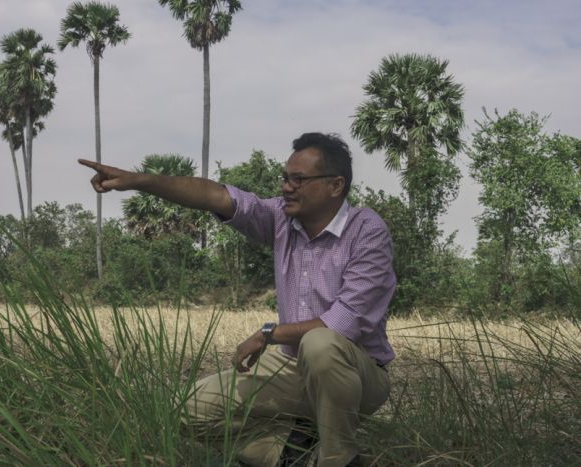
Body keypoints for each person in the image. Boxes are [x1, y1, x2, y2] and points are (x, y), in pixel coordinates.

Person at [79, 132, 395, 467]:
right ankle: (296, 455)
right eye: (286, 178)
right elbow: (216, 195)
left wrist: (268, 334)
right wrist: (140, 180)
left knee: (320, 344)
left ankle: (339, 458)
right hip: (291, 366)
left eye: (299, 179)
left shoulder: (367, 231)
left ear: (335, 185)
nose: (287, 187)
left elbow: (342, 323)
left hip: (356, 374)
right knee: (183, 411)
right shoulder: (280, 218)